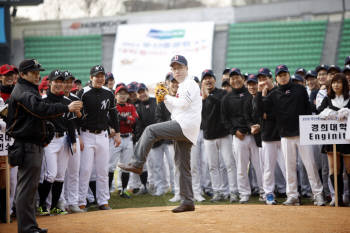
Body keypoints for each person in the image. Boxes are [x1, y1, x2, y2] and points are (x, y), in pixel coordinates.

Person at [6, 59, 82, 233]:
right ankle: (27, 228)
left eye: (38, 71)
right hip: (27, 145)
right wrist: (66, 107)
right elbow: (40, 109)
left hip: (32, 143)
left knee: (30, 188)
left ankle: (30, 226)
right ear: (22, 74)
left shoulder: (28, 89)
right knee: (27, 188)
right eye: (33, 72)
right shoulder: (24, 91)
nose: (37, 74)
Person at [119, 55, 202, 213]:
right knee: (182, 166)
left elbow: (183, 104)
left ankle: (137, 164)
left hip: (185, 125)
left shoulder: (190, 83)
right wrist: (163, 100)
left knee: (151, 130)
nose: (177, 70)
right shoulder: (183, 86)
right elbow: (176, 110)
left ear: (187, 69)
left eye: (180, 67)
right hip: (185, 126)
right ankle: (188, 201)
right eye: (174, 68)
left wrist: (166, 96)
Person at [257, 64, 325, 206]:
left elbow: (308, 109)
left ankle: (318, 194)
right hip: (285, 135)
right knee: (289, 167)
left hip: (302, 133)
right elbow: (262, 111)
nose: (283, 77)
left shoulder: (300, 89)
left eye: (285, 74)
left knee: (310, 165)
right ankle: (292, 195)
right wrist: (259, 93)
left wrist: (308, 128)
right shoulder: (273, 94)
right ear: (276, 78)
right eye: (280, 75)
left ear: (288, 75)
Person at [77, 65, 121, 211]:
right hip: (86, 134)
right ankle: (81, 201)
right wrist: (78, 136)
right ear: (91, 77)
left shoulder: (109, 93)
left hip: (103, 135)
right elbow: (76, 116)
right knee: (85, 170)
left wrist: (118, 133)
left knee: (103, 170)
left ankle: (103, 201)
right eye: (97, 76)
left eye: (102, 76)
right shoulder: (83, 92)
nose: (100, 78)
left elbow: (113, 114)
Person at [221, 68, 263, 204]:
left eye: (237, 77)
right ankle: (244, 193)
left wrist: (256, 127)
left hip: (254, 134)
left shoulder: (251, 93)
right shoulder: (226, 98)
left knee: (259, 165)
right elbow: (225, 119)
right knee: (241, 167)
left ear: (242, 79)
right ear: (229, 81)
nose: (235, 80)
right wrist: (234, 132)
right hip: (239, 136)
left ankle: (264, 191)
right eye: (232, 78)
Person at [201, 69, 238, 203]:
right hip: (208, 136)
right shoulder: (198, 98)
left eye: (210, 77)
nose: (208, 80)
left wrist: (208, 97)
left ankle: (233, 192)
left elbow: (223, 105)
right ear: (202, 82)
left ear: (215, 80)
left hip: (223, 134)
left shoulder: (221, 93)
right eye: (205, 78)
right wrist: (203, 98)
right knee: (213, 166)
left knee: (229, 164)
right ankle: (218, 192)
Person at [317, 73, 350, 206]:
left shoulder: (349, 98)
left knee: (349, 169)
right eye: (334, 82)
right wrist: (327, 113)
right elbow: (318, 111)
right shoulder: (327, 99)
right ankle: (338, 198)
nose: (336, 85)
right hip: (332, 139)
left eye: (339, 82)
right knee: (333, 169)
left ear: (344, 84)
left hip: (347, 139)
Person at [255, 67, 286, 205]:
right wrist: (261, 95)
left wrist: (268, 115)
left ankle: (292, 193)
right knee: (268, 168)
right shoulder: (259, 94)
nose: (262, 81)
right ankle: (269, 194)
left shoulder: (278, 91)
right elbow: (257, 113)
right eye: (260, 79)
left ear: (271, 78)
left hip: (282, 134)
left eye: (265, 78)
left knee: (287, 166)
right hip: (267, 136)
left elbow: (280, 111)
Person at [108, 84, 138, 197]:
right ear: (116, 95)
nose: (123, 96)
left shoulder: (130, 106)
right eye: (120, 93)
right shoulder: (113, 107)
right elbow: (111, 121)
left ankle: (123, 190)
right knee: (111, 166)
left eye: (125, 93)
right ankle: (107, 191)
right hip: (115, 137)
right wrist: (126, 119)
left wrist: (123, 119)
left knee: (126, 166)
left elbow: (134, 120)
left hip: (128, 138)